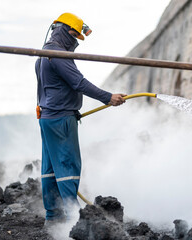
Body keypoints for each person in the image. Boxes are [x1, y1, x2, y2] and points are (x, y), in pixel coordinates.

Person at [35, 12, 126, 225]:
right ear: (65, 31)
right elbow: (79, 83)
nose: (75, 42)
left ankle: (53, 217)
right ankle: (75, 220)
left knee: (50, 170)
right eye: (75, 36)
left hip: (47, 118)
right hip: (61, 119)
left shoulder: (42, 54)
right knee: (68, 167)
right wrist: (108, 98)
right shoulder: (58, 55)